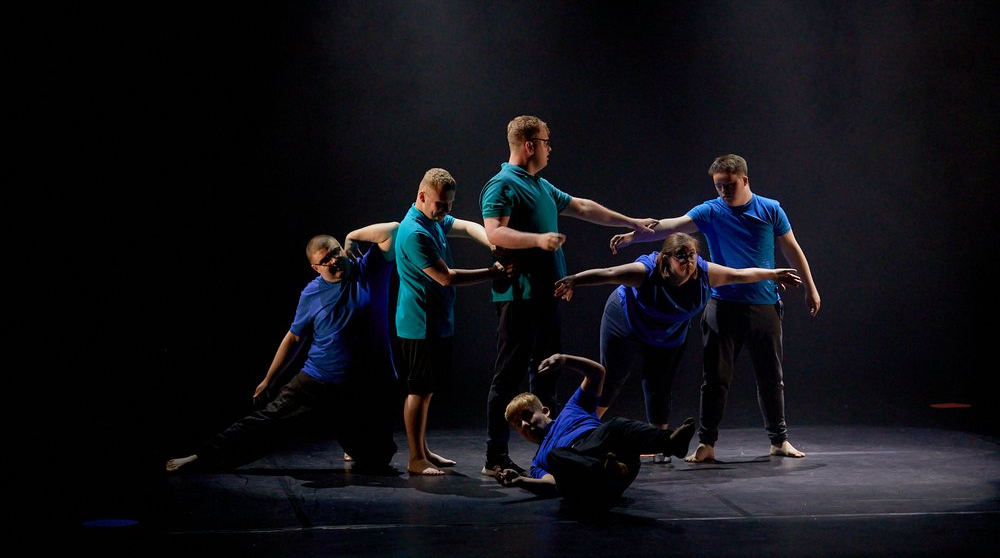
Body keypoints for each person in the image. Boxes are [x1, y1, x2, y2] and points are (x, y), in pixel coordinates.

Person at [610, 154, 821, 462]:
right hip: (722, 306)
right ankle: (706, 444)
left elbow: (792, 248)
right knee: (715, 379)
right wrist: (633, 236)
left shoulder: (770, 209)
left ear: (745, 180)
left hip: (765, 305)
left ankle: (779, 440)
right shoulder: (710, 211)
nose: (723, 191)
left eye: (729, 185)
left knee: (771, 377)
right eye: (719, 186)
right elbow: (671, 226)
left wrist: (811, 288)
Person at [479, 114, 658, 476]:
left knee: (547, 374)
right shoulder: (502, 185)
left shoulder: (541, 186)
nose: (550, 148)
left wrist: (632, 223)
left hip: (547, 297)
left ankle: (554, 449)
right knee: (508, 377)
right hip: (519, 297)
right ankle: (494, 456)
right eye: (546, 142)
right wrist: (538, 240)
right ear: (530, 145)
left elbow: (583, 206)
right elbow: (495, 232)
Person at [165, 222, 401, 474]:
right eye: (325, 259)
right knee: (266, 422)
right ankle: (201, 457)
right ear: (315, 268)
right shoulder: (311, 294)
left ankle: (349, 435)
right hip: (319, 380)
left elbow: (394, 229)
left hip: (366, 384)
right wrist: (269, 379)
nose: (334, 260)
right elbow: (294, 339)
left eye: (335, 252)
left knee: (379, 459)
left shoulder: (368, 269)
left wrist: (352, 237)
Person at [554, 232, 802, 463]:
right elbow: (608, 273)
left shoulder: (705, 274)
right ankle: (579, 433)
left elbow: (739, 275)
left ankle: (660, 443)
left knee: (659, 383)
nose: (688, 260)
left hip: (667, 332)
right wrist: (575, 280)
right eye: (680, 255)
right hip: (626, 322)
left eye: (692, 254)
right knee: (613, 377)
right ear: (666, 258)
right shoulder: (645, 272)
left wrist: (773, 274)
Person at [395, 168, 511, 475]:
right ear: (422, 197)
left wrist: (493, 242)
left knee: (427, 388)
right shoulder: (415, 232)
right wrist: (493, 272)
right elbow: (446, 278)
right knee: (418, 390)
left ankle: (424, 450)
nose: (446, 211)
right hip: (419, 325)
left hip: (435, 321)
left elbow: (468, 227)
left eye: (449, 205)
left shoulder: (432, 219)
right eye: (441, 205)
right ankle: (415, 459)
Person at [492, 353, 696, 511]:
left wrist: (564, 359)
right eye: (519, 425)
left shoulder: (572, 409)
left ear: (544, 410)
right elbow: (552, 484)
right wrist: (521, 481)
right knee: (557, 456)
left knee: (615, 425)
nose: (525, 425)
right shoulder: (538, 461)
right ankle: (605, 472)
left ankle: (670, 443)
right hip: (595, 484)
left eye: (527, 416)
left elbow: (597, 373)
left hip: (616, 457)